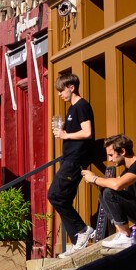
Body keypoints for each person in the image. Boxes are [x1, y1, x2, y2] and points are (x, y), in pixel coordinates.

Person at [49, 74, 102, 256]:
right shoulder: (71, 109)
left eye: (61, 90)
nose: (59, 94)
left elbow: (88, 132)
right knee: (60, 197)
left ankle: (82, 231)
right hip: (69, 157)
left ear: (71, 88)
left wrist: (66, 135)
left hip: (76, 159)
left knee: (55, 195)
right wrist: (63, 131)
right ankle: (78, 237)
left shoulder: (82, 106)